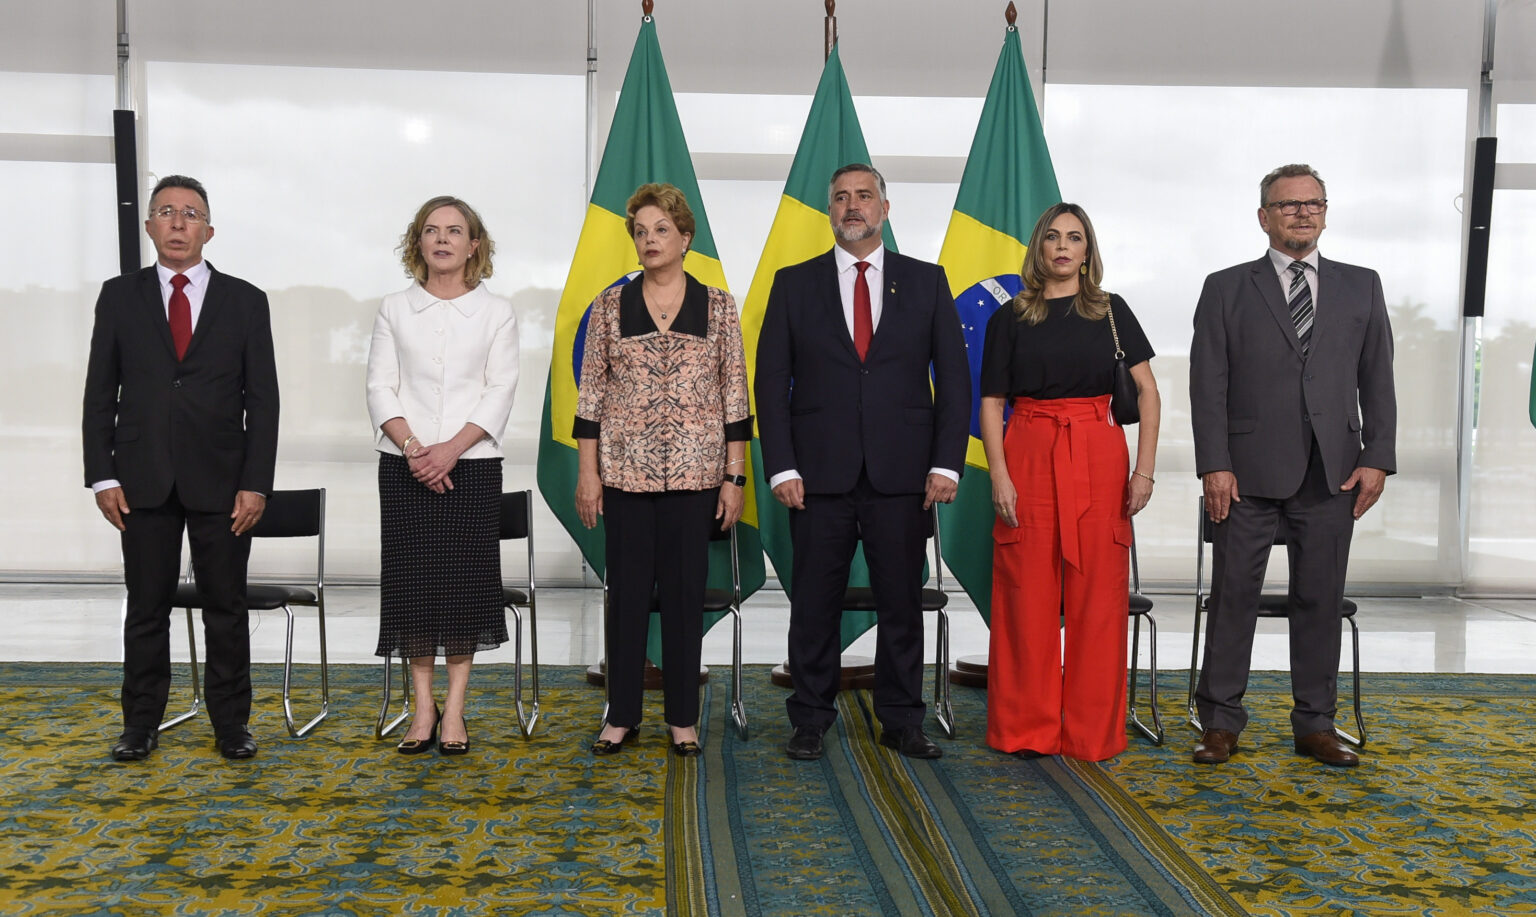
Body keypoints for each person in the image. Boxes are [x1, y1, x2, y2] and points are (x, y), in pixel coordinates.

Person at [756, 163, 970, 762]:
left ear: (885, 208)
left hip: (904, 477)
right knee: (813, 603)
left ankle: (901, 719)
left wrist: (946, 465)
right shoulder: (793, 284)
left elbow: (953, 380)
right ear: (830, 211)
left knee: (902, 601)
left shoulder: (926, 282)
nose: (853, 206)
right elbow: (771, 382)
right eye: (842, 198)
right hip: (815, 477)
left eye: (864, 197)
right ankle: (809, 718)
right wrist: (781, 466)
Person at [1190, 164, 1396, 768]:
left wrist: (1378, 456)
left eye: (1313, 204)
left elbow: (1376, 376)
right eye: (1288, 205)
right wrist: (1214, 465)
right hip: (1245, 474)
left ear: (1325, 212)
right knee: (1233, 599)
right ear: (1264, 217)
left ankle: (1315, 725)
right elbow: (1209, 384)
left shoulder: (1362, 285)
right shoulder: (1226, 287)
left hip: (1333, 471)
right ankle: (1220, 723)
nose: (1302, 213)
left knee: (1320, 600)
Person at [83, 175, 280, 762]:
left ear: (208, 230)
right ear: (149, 226)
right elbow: (100, 393)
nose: (177, 222)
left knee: (226, 607)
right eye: (165, 212)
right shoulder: (118, 296)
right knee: (146, 607)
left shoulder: (245, 300)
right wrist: (103, 474)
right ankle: (139, 725)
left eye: (190, 213)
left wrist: (256, 482)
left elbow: (262, 400)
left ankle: (231, 727)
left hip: (223, 480)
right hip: (140, 479)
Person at [977, 203, 1161, 762]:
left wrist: (1144, 470)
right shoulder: (1010, 316)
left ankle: (1090, 733)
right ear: (1039, 247)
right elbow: (991, 402)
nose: (1063, 246)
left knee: (1097, 600)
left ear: (1087, 251)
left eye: (1074, 238)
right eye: (1053, 237)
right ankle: (1026, 729)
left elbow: (1149, 393)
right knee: (1025, 596)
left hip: (1097, 452)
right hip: (1028, 449)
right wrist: (1000, 476)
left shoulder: (1112, 310)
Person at [574, 182, 751, 758]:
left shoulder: (720, 306)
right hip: (623, 477)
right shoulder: (609, 305)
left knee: (682, 599)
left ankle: (682, 719)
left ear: (685, 237)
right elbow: (591, 396)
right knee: (625, 599)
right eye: (641, 231)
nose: (650, 241)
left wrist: (735, 476)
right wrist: (588, 473)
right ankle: (621, 715)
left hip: (698, 479)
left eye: (661, 230)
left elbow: (734, 397)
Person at [366, 195, 519, 757]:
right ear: (418, 242)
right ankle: (422, 707)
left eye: (455, 231)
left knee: (461, 586)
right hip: (404, 466)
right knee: (413, 585)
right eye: (432, 231)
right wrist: (414, 449)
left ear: (474, 245)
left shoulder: (497, 311)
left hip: (471, 467)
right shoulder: (394, 307)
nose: (443, 240)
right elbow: (380, 386)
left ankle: (455, 709)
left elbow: (500, 387)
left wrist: (449, 451)